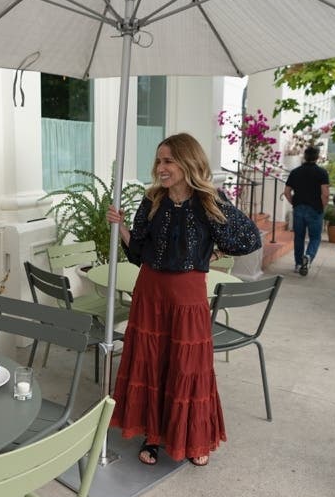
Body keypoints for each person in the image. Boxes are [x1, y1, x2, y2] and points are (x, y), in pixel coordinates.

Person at [106, 133, 261, 466]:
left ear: (187, 162)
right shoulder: (152, 200)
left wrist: (214, 249)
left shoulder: (209, 200)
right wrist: (120, 229)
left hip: (188, 296)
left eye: (168, 161)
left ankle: (193, 438)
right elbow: (138, 252)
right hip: (150, 292)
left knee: (188, 368)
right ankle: (154, 436)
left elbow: (250, 238)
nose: (161, 168)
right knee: (153, 364)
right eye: (159, 161)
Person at [284, 145, 330, 276]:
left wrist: (294, 203)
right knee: (315, 237)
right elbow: (325, 193)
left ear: (304, 156)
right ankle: (308, 257)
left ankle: (298, 264)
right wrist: (323, 206)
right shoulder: (322, 173)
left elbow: (287, 192)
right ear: (317, 157)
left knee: (299, 237)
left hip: (298, 207)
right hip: (315, 208)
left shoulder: (295, 172)